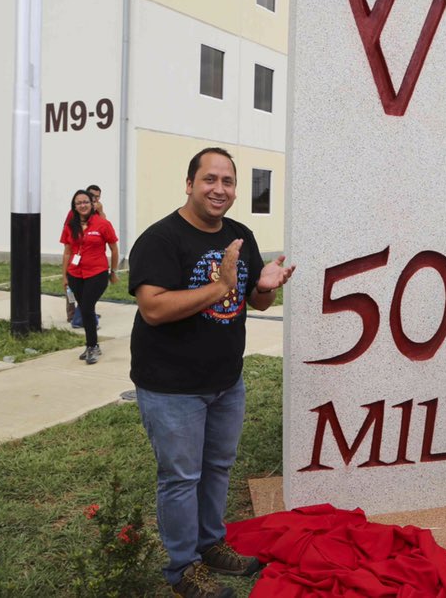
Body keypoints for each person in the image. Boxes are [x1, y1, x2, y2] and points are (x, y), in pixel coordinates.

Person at [129, 147, 295, 598]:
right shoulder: (161, 239)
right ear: (189, 184)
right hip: (171, 387)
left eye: (228, 181)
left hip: (226, 381)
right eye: (209, 179)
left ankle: (211, 544)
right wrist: (220, 285)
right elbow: (153, 308)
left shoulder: (240, 235)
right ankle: (183, 568)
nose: (219, 189)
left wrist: (267, 287)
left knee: (218, 467)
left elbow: (255, 301)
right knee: (181, 478)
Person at [60, 189, 118, 364]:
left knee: (86, 307)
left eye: (85, 202)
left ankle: (92, 346)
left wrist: (113, 272)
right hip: (75, 274)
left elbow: (114, 249)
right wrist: (64, 276)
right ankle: (92, 345)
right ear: (74, 206)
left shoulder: (103, 224)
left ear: (92, 204)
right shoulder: (70, 226)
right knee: (86, 310)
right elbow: (67, 252)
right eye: (79, 203)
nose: (83, 205)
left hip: (97, 273)